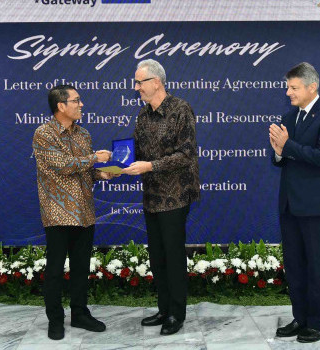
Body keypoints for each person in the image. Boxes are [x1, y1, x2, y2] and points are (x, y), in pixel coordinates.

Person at [122, 59, 200, 336]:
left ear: (156, 82)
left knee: (173, 255)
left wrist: (150, 166)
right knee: (157, 256)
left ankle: (177, 314)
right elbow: (137, 154)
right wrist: (118, 162)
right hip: (152, 196)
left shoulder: (181, 109)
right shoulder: (143, 116)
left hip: (176, 195)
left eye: (139, 82)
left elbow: (186, 154)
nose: (136, 88)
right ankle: (164, 308)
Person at [32, 84, 116, 341]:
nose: (82, 105)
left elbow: (85, 172)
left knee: (81, 267)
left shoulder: (84, 134)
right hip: (58, 213)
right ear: (61, 106)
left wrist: (104, 173)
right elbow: (63, 165)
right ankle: (55, 319)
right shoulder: (43, 133)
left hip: (85, 212)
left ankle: (80, 313)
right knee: (56, 269)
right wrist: (94, 159)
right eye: (76, 101)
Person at [269, 62, 320, 343]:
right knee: (295, 266)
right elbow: (280, 159)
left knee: (316, 266)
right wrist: (278, 152)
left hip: (316, 206)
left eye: (294, 87)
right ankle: (300, 318)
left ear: (312, 87)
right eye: (288, 87)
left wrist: (287, 146)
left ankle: (318, 323)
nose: (288, 92)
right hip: (290, 204)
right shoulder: (289, 116)